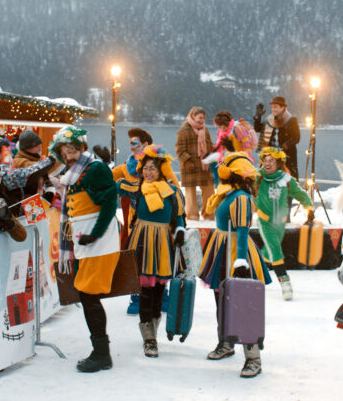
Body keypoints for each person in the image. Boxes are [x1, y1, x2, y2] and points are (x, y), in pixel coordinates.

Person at [49, 125, 120, 373]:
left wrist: (95, 233)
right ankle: (101, 350)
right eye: (63, 151)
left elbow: (110, 200)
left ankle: (102, 353)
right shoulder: (72, 174)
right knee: (87, 296)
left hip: (98, 243)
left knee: (89, 297)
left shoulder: (95, 168)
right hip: (85, 243)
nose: (68, 155)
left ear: (81, 146)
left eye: (71, 149)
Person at [199, 151, 270, 378]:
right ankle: (226, 342)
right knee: (221, 300)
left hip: (235, 253)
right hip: (222, 249)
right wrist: (213, 161)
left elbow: (242, 230)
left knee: (243, 304)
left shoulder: (240, 197)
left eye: (225, 167)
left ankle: (253, 357)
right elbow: (215, 176)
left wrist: (240, 260)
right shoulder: (227, 193)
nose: (220, 170)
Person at [118, 148, 186, 357]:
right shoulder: (137, 188)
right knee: (144, 291)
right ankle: (148, 337)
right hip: (142, 240)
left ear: (162, 170)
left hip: (163, 241)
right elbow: (112, 187)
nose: (148, 173)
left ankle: (153, 330)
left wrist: (181, 231)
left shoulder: (172, 191)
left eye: (153, 169)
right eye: (145, 169)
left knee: (158, 290)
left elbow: (180, 216)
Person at [114, 129, 179, 315]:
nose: (131, 146)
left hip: (160, 222)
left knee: (159, 256)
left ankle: (161, 294)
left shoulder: (157, 163)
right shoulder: (128, 166)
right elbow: (111, 180)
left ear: (145, 144)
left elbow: (174, 188)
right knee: (138, 258)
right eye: (130, 143)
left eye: (134, 142)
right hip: (136, 220)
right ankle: (136, 296)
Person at [255, 146, 313, 301]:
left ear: (278, 163)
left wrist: (309, 207)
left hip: (280, 224)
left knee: (268, 253)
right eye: (265, 160)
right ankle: (285, 282)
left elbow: (300, 194)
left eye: (271, 160)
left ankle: (255, 272)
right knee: (275, 250)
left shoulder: (286, 180)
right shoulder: (258, 177)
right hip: (265, 221)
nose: (267, 163)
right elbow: (243, 184)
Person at [175, 107, 214, 221]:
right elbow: (180, 150)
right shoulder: (184, 130)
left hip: (204, 165)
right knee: (190, 192)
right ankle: (192, 216)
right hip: (190, 166)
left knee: (209, 188)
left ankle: (209, 215)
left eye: (204, 118)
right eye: (200, 117)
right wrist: (188, 161)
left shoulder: (204, 130)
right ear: (193, 116)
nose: (202, 120)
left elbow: (210, 144)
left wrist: (211, 155)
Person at [253, 96, 302, 179]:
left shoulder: (291, 120)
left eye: (276, 107)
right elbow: (258, 129)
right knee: (269, 180)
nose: (273, 109)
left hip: (286, 157)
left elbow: (296, 138)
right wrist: (258, 118)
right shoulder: (270, 120)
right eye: (272, 107)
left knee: (287, 180)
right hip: (270, 156)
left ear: (283, 108)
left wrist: (283, 147)